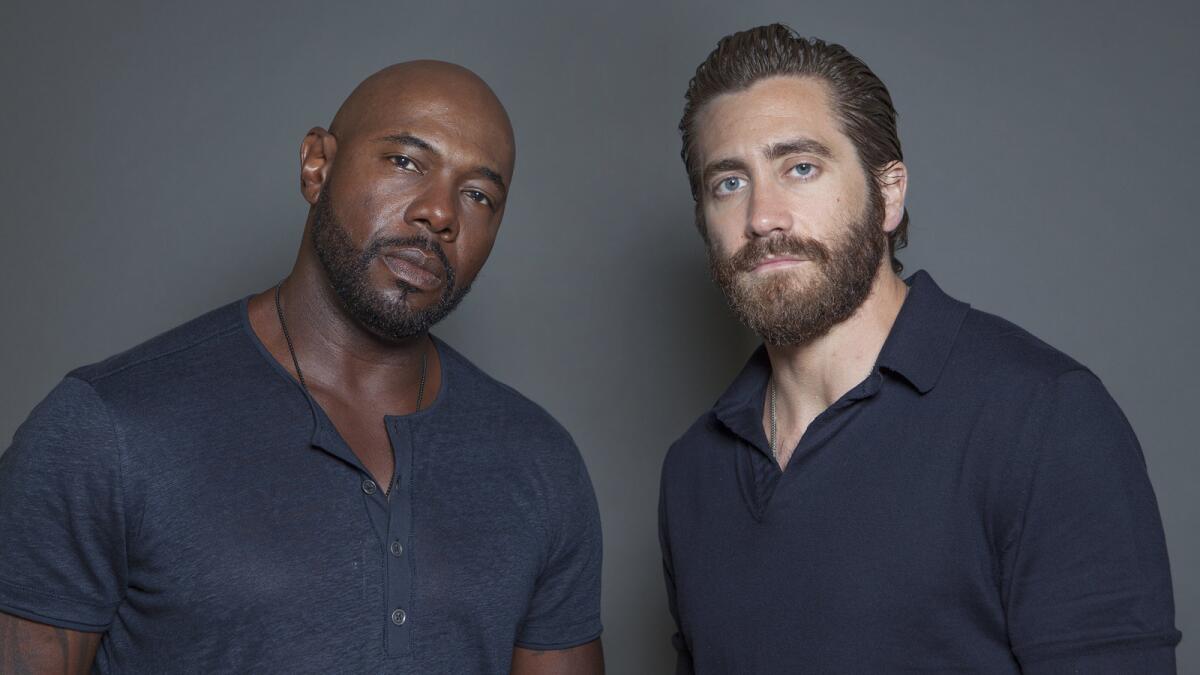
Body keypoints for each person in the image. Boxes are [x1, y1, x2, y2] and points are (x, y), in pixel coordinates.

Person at [0, 61, 604, 674]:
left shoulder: (538, 461)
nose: (440, 213)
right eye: (405, 162)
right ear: (317, 165)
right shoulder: (103, 430)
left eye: (478, 195)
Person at [658, 24, 1179, 674]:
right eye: (728, 183)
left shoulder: (1043, 418)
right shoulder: (693, 471)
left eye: (800, 167)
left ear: (890, 195)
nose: (763, 215)